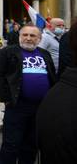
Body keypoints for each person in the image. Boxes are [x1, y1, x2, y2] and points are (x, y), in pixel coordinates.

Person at [0, 23, 57, 164]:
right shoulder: (7, 52)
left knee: (31, 145)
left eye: (32, 35)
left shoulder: (44, 54)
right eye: (25, 35)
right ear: (19, 36)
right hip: (17, 106)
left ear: (39, 39)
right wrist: (7, 99)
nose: (28, 38)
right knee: (11, 145)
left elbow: (52, 75)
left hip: (40, 108)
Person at [36, 20, 77, 164]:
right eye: (58, 25)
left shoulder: (60, 38)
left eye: (62, 25)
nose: (61, 27)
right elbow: (39, 54)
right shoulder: (47, 38)